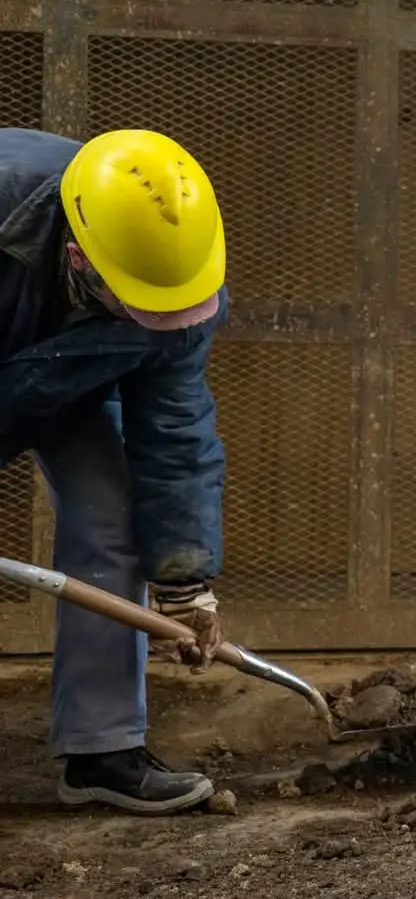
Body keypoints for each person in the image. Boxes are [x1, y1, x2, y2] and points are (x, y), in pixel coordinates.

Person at [0, 127, 232, 814]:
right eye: (146, 313)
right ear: (77, 258)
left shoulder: (174, 263)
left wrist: (184, 580)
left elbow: (174, 432)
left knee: (110, 512)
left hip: (61, 378)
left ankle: (100, 750)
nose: (166, 323)